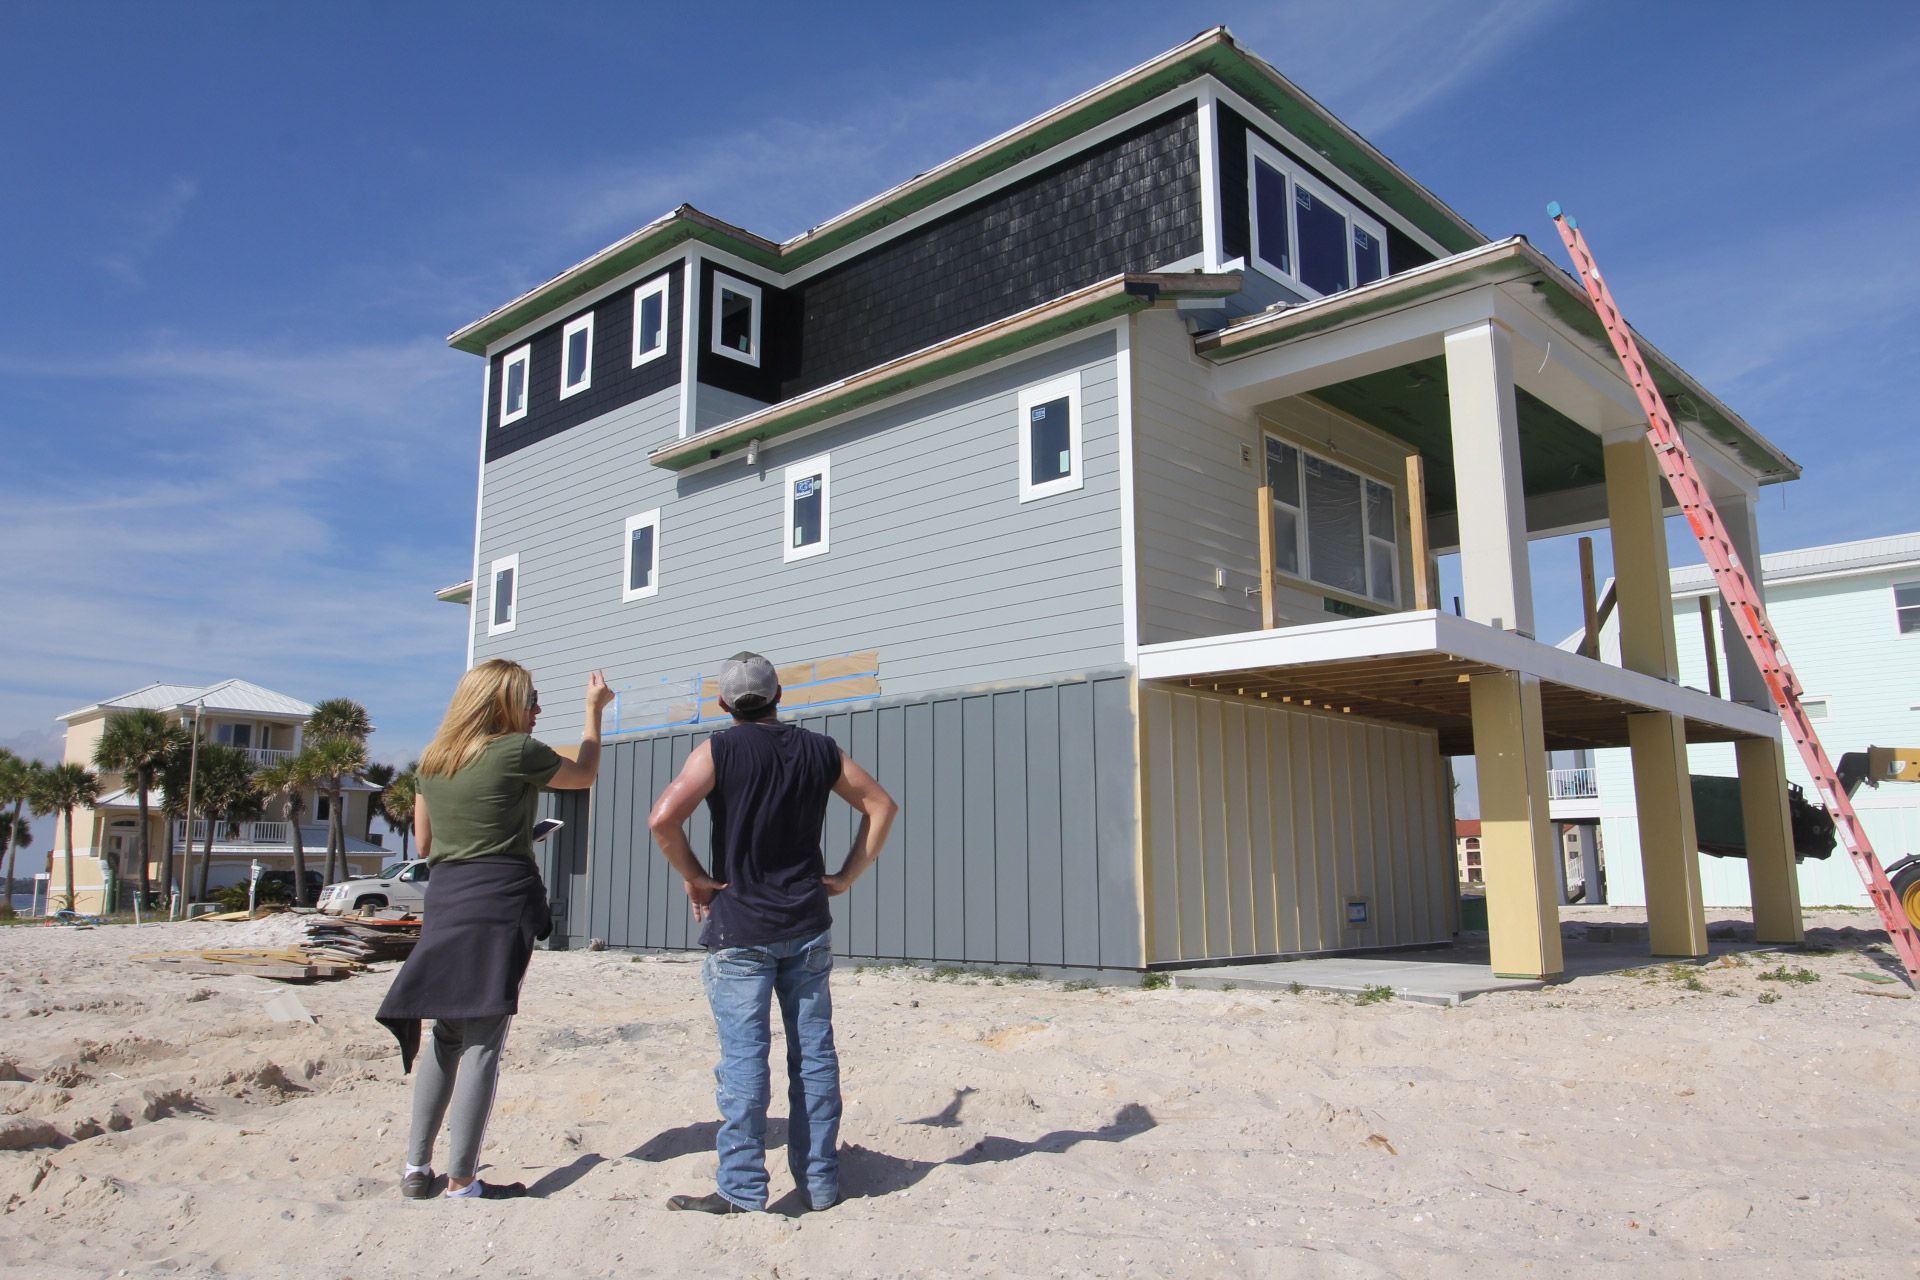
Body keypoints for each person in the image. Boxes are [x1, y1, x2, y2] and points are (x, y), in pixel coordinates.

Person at [648, 651, 898, 1215]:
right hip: (806, 924)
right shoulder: (820, 749)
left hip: (740, 930)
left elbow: (663, 819)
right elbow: (881, 806)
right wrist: (846, 876)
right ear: (779, 694)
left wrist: (696, 881)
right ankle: (820, 1184)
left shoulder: (718, 749)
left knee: (743, 1060)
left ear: (723, 703)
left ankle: (741, 1188)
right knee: (814, 1056)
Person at [376, 659, 611, 1200]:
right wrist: (593, 715)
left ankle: (416, 1168)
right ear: (502, 702)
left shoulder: (433, 761)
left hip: (446, 897)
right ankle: (462, 1181)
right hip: (499, 899)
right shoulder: (517, 752)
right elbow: (584, 774)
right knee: (483, 1039)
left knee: (445, 1032)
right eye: (529, 700)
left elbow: (424, 845)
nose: (536, 710)